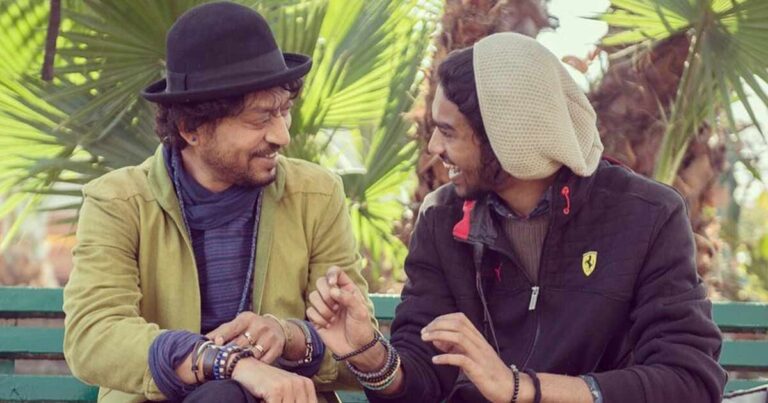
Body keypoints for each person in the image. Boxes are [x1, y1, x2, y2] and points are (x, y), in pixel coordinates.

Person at [306, 32, 727, 403]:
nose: (433, 147)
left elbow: (688, 382)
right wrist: (369, 353)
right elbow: (423, 377)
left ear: (505, 137)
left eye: (448, 131)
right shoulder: (441, 219)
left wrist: (520, 388)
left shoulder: (646, 215)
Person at [63, 2, 373, 402]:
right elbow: (93, 337)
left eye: (284, 111)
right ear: (191, 128)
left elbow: (357, 349)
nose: (282, 135)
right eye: (260, 119)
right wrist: (223, 362)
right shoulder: (118, 202)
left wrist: (290, 336)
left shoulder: (317, 194)